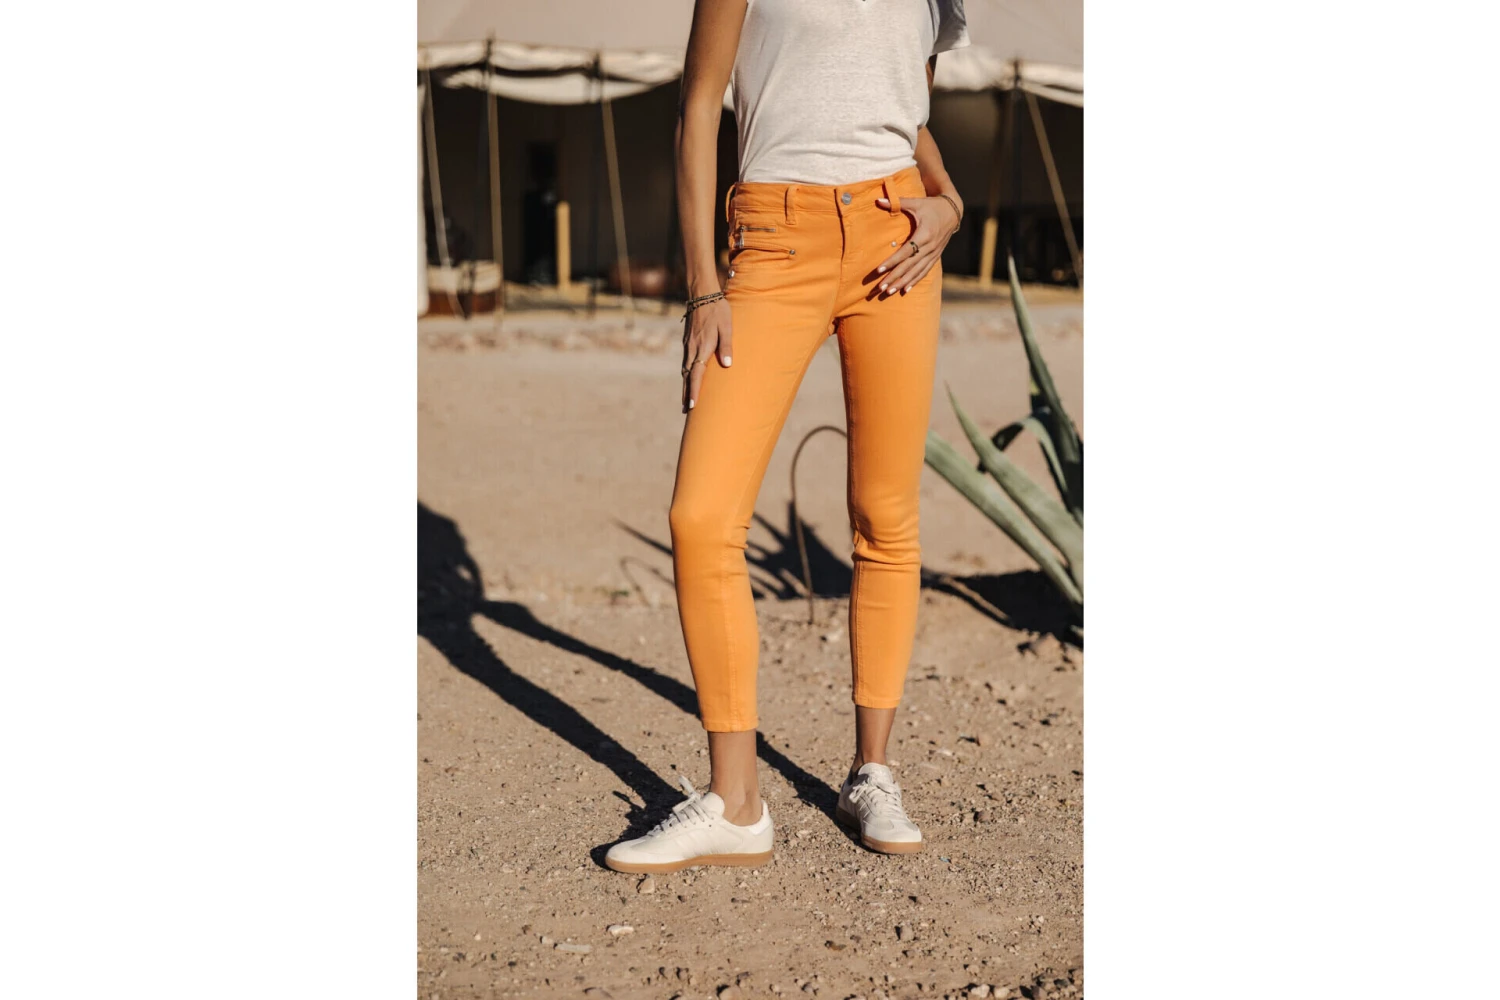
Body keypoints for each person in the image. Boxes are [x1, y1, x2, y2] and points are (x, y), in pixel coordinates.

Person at [604, 0, 969, 874]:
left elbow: (907, 110)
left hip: (897, 238)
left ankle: (872, 773)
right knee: (702, 516)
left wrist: (951, 202)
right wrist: (703, 287)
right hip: (773, 239)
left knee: (884, 516)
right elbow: (700, 105)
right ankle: (737, 806)